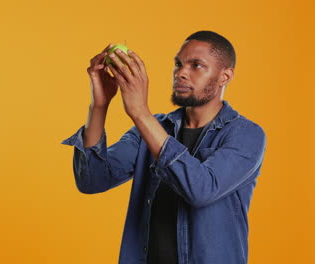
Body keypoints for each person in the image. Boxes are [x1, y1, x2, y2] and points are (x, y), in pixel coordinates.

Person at [61, 30, 267, 264]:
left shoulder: (246, 134)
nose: (181, 73)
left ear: (225, 76)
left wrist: (140, 112)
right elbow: (92, 181)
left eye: (196, 65)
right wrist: (99, 106)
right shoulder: (152, 128)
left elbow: (200, 190)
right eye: (178, 64)